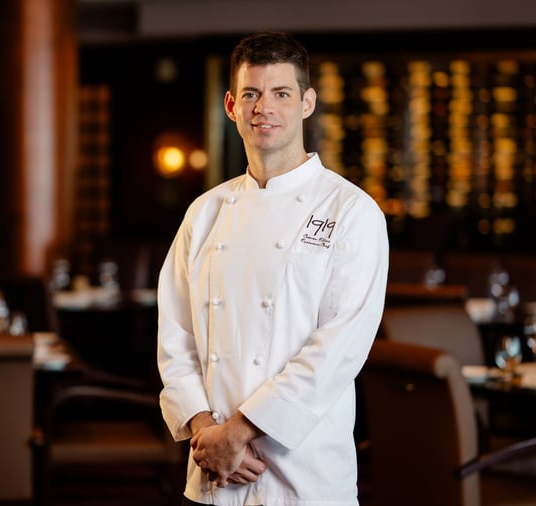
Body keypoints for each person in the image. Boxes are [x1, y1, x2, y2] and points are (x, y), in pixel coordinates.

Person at [156, 31, 389, 506]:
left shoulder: (351, 211)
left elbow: (337, 349)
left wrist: (238, 432)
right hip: (214, 471)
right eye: (251, 94)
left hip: (303, 475)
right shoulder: (205, 212)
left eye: (281, 93)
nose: (264, 107)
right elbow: (175, 336)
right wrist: (206, 432)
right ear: (231, 106)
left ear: (307, 102)